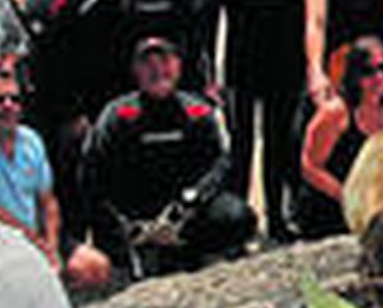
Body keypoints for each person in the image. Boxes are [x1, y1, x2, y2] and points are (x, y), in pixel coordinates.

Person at [84, 37, 255, 277]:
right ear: (135, 71)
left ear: (178, 67)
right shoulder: (118, 115)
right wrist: (125, 220)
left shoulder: (198, 111)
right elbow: (95, 171)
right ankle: (142, 250)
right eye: (148, 64)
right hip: (137, 213)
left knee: (239, 217)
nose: (157, 70)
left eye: (164, 61)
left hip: (185, 209)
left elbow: (222, 164)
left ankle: (188, 248)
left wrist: (193, 199)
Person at [0, 67, 109, 289]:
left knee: (96, 268)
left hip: (34, 237)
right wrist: (34, 242)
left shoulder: (31, 139)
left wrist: (50, 244)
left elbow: (48, 200)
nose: (8, 106)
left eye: (15, 99)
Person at [204, 0, 307, 243]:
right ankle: (239, 223)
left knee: (279, 146)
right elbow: (209, 23)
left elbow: (305, 23)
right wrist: (210, 77)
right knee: (241, 147)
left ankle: (277, 219)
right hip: (240, 71)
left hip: (284, 70)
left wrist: (307, 72)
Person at [18, 0, 124, 247]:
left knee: (96, 176)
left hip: (93, 94)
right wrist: (71, 112)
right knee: (66, 181)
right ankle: (69, 244)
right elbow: (47, 64)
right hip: (61, 108)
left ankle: (100, 242)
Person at [295, 36, 383, 239]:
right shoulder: (335, 112)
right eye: (369, 71)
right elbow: (309, 166)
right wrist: (349, 197)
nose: (379, 77)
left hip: (370, 202)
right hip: (331, 204)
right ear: (355, 75)